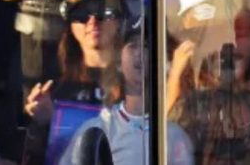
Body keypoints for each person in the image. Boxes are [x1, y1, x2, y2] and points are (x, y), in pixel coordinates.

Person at [166, 0, 250, 163]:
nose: (229, 44)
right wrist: (175, 84)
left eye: (240, 31)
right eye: (213, 33)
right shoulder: (177, 91)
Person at [23, 0, 126, 165]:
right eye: (81, 14)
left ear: (119, 20)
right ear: (70, 25)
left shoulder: (139, 80)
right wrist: (41, 123)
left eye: (102, 12)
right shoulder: (53, 87)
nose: (92, 21)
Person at [59, 34, 194, 165]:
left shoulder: (173, 135)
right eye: (132, 46)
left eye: (146, 46)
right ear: (119, 63)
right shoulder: (96, 130)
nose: (139, 53)